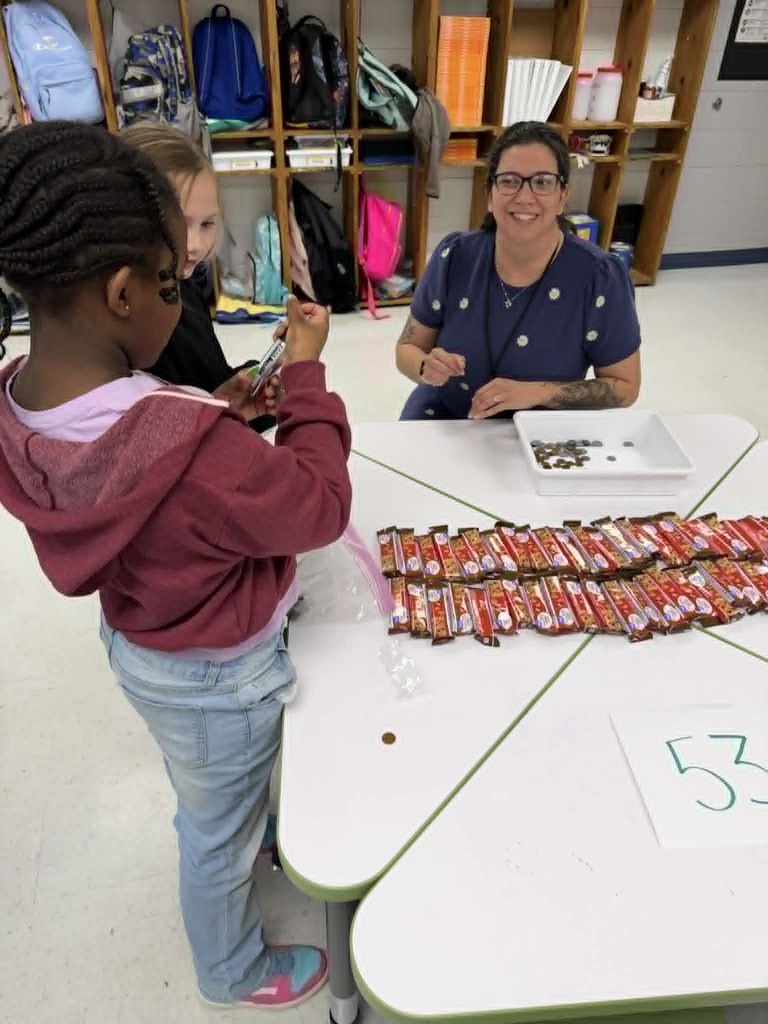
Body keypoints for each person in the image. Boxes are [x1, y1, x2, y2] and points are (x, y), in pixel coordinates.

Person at [0, 122, 352, 1010]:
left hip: (144, 647)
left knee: (207, 785)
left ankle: (230, 813)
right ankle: (231, 971)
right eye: (170, 280)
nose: (181, 289)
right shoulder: (192, 453)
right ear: (122, 291)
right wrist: (305, 380)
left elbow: (141, 464)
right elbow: (318, 506)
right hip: (218, 673)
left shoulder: (23, 398)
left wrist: (206, 409)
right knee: (214, 836)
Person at [396, 121, 642, 420]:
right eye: (509, 181)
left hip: (542, 427)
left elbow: (625, 387)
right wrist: (425, 367)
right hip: (446, 413)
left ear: (563, 196)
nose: (524, 197)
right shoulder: (455, 256)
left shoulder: (599, 276)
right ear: (490, 195)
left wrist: (538, 393)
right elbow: (408, 347)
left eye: (542, 182)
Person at [121, 120, 275, 431]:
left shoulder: (186, 289)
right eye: (179, 223)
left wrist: (256, 379)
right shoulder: (133, 328)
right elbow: (160, 435)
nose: (195, 244)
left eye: (207, 224)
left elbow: (207, 384)